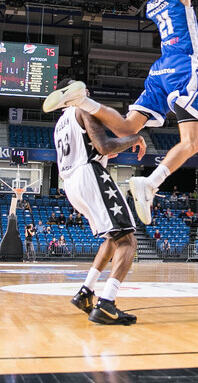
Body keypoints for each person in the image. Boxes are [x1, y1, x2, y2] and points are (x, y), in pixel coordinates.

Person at [42, 0, 198, 226]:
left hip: (158, 71)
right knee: (193, 143)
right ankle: (150, 182)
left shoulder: (156, 0)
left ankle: (84, 101)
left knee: (129, 125)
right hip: (181, 65)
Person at [54, 101, 146, 325]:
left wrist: (102, 153)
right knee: (127, 240)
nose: (87, 95)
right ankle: (107, 303)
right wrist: (135, 138)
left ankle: (86, 291)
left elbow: (92, 148)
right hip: (89, 174)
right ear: (71, 95)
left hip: (71, 183)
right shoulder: (83, 108)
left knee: (112, 239)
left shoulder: (60, 123)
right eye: (83, 91)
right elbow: (104, 146)